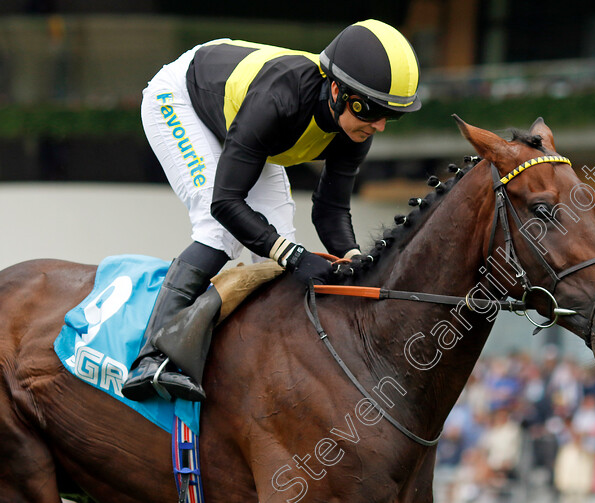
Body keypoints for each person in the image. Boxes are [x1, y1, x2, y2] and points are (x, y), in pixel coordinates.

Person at [122, 19, 422, 402]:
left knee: (281, 249)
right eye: (371, 110)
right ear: (336, 90)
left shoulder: (355, 126)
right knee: (222, 233)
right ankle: (153, 355)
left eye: (390, 115)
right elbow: (225, 203)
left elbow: (329, 210)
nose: (378, 125)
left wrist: (354, 259)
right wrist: (293, 256)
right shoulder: (280, 100)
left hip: (243, 115)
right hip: (182, 98)